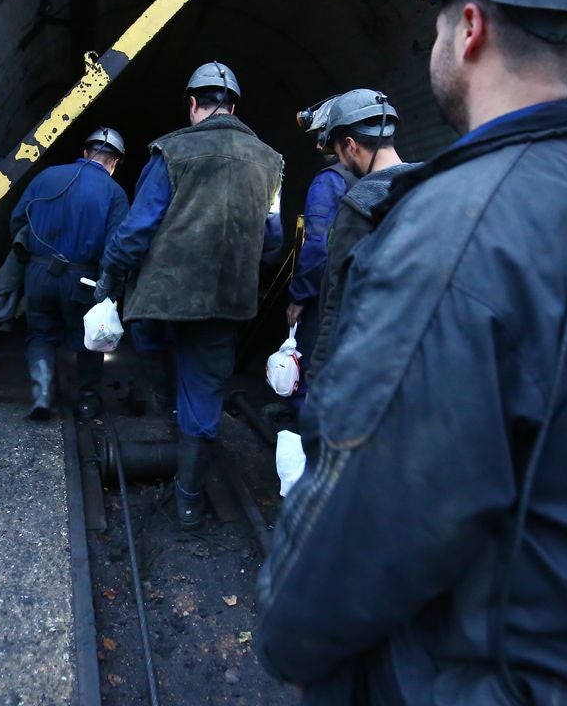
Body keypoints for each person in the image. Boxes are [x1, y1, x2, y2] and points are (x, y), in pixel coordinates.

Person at [257, 0, 567, 703]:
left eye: (435, 23)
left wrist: (283, 633)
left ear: (468, 28)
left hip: (484, 675)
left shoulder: (454, 230)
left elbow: (375, 510)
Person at [97, 61, 284, 529]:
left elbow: (137, 229)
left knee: (158, 363)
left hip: (162, 300)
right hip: (225, 304)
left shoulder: (171, 152)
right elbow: (274, 240)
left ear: (193, 104)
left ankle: (165, 424)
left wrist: (109, 284)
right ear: (234, 107)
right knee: (204, 392)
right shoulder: (270, 163)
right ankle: (188, 499)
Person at [299, 89, 416, 433]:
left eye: (337, 150)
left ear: (350, 145)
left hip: (365, 364)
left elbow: (337, 300)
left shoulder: (359, 204)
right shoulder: (430, 184)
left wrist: (317, 379)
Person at [9, 127, 129, 421]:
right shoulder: (114, 192)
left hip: (38, 272)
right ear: (115, 162)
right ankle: (87, 402)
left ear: (86, 153)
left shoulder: (46, 176)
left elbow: (16, 221)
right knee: (90, 338)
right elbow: (118, 246)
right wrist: (111, 287)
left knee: (40, 333)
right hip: (83, 279)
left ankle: (42, 396)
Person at [283, 98, 356, 411]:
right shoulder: (397, 177)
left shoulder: (328, 182)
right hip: (368, 302)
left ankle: (306, 448)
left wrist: (299, 296)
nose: (317, 145)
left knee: (309, 375)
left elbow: (317, 247)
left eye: (322, 134)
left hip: (326, 299)